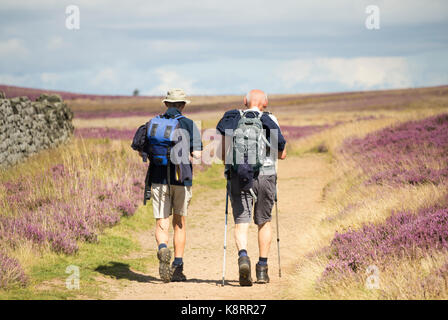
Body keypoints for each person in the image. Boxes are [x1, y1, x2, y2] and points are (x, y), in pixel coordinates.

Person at [216, 89, 287, 286]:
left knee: (241, 221)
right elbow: (282, 154)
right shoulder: (270, 119)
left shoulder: (232, 119)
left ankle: (243, 258)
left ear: (245, 101)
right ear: (265, 103)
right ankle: (262, 270)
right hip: (266, 175)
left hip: (239, 174)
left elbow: (222, 153)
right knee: (264, 221)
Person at [132, 88, 202, 282]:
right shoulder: (189, 124)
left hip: (158, 177)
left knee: (161, 221)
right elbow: (197, 155)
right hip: (182, 179)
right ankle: (178, 267)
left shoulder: (152, 124)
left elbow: (142, 151)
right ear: (183, 105)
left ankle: (163, 249)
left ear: (166, 104)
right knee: (179, 222)